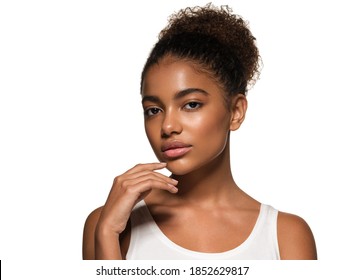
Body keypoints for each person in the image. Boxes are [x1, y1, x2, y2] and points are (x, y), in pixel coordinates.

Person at [82, 3, 317, 260]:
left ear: (236, 111)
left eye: (191, 104)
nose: (168, 126)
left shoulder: (285, 236)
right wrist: (106, 233)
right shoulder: (109, 223)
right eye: (153, 110)